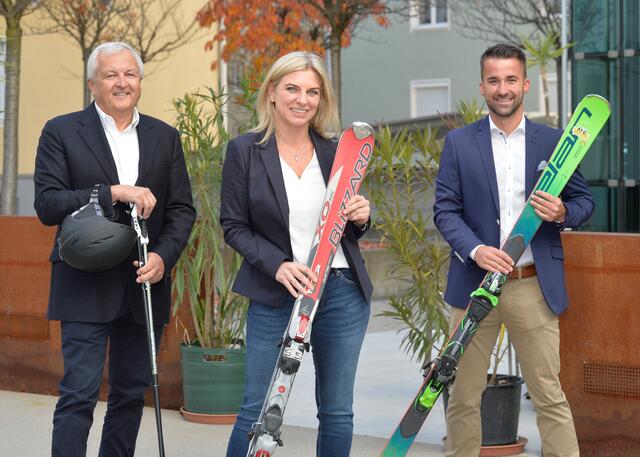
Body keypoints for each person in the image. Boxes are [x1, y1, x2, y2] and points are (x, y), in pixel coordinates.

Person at [33, 42, 195, 457]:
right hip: (84, 282)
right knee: (79, 395)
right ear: (93, 84)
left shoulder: (165, 136)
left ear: (140, 81)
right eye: (111, 75)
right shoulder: (62, 130)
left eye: (130, 74)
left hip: (145, 284)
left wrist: (163, 257)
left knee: (128, 396)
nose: (122, 82)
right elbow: (47, 205)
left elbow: (181, 210)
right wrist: (110, 193)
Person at [434, 43, 593, 457]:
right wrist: (475, 250)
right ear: (482, 86)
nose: (502, 88)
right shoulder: (459, 143)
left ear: (524, 84)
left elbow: (585, 203)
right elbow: (445, 210)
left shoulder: (555, 143)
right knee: (464, 396)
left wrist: (561, 212)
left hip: (531, 286)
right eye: (493, 80)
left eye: (510, 79)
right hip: (474, 284)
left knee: (548, 394)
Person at [220, 51, 373, 457]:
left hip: (341, 290)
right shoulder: (244, 150)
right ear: (272, 92)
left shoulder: (334, 150)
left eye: (312, 91)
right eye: (292, 88)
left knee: (338, 412)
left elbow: (349, 228)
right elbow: (233, 226)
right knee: (256, 407)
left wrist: (361, 215)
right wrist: (278, 265)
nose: (301, 99)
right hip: (276, 292)